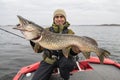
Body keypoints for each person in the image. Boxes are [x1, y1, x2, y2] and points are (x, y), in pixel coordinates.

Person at [30, 9, 80, 80]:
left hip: (65, 59)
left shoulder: (70, 32)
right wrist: (33, 40)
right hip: (49, 60)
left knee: (67, 63)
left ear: (65, 19)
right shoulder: (46, 31)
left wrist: (75, 51)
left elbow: (71, 52)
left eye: (61, 17)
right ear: (54, 19)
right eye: (56, 17)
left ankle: (65, 78)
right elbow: (38, 50)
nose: (59, 19)